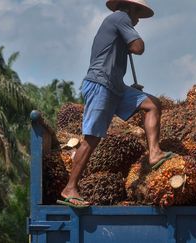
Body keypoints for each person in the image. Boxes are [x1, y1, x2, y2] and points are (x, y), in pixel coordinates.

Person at [57, 0, 174, 207]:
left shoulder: (119, 24)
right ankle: (70, 188)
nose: (138, 20)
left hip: (116, 86)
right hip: (100, 84)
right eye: (138, 15)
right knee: (92, 138)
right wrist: (131, 38)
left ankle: (154, 153)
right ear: (131, 9)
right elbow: (138, 47)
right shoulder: (120, 18)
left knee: (152, 104)